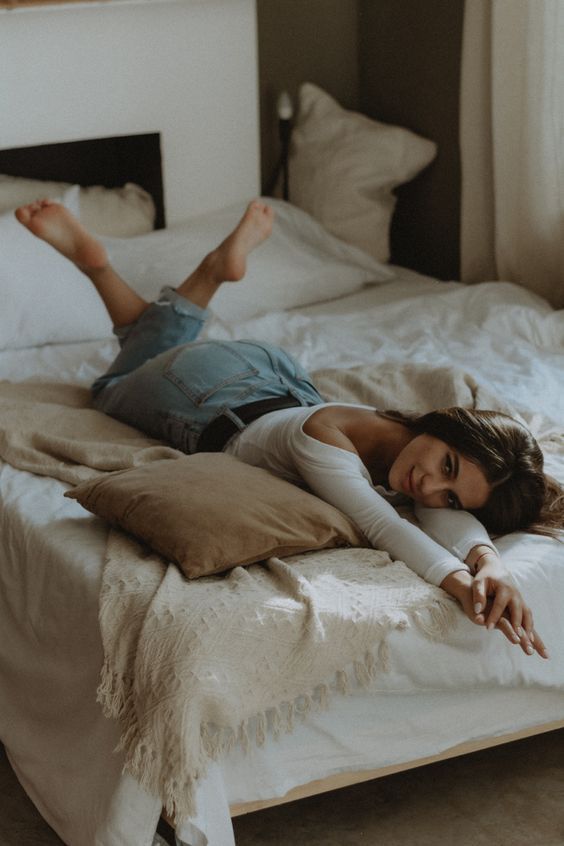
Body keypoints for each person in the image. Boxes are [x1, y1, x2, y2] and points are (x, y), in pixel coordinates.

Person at [17, 198, 563, 660]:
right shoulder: (327, 444)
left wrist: (489, 561)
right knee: (112, 388)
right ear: (447, 428)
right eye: (446, 466)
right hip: (203, 397)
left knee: (142, 340)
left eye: (451, 493)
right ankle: (146, 270)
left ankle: (151, 274)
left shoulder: (405, 439)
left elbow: (437, 513)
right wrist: (462, 584)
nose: (428, 488)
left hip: (269, 372)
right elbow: (384, 527)